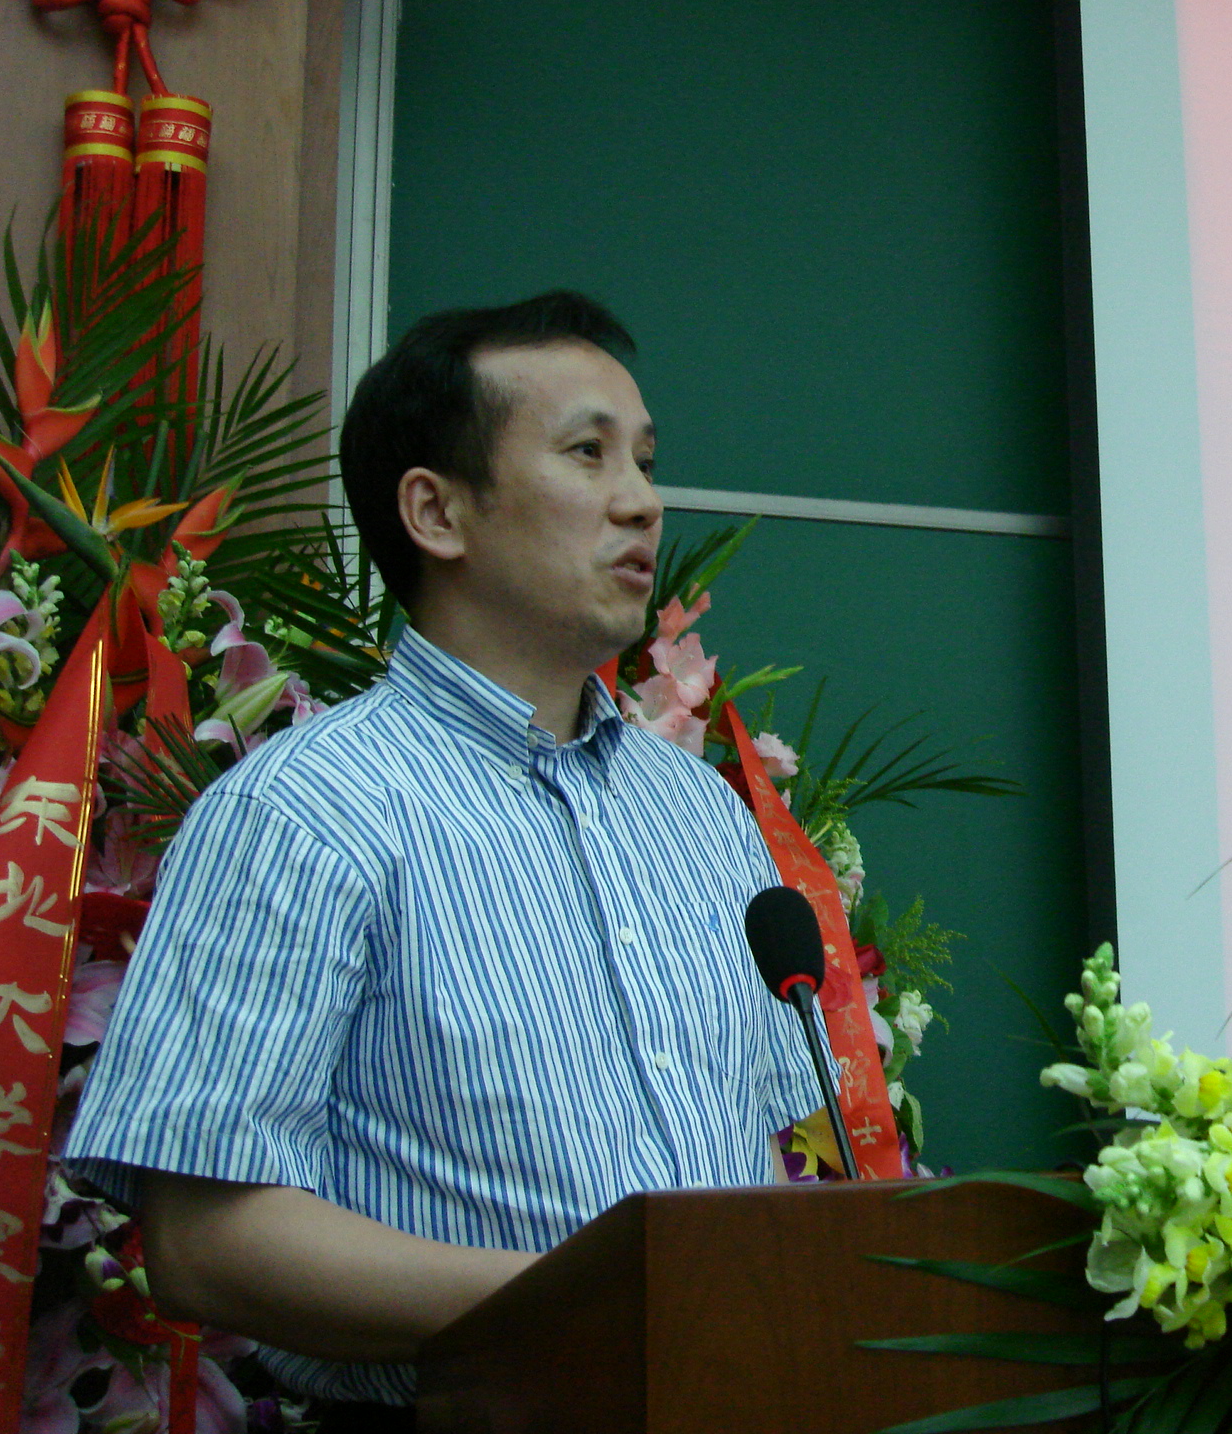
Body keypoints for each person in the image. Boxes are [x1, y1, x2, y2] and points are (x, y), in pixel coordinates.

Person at [65, 292, 817, 1423]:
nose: (642, 501)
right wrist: (596, 1307)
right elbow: (203, 1242)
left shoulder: (701, 816)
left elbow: (757, 1155)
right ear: (435, 511)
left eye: (646, 460)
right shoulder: (303, 812)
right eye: (588, 453)